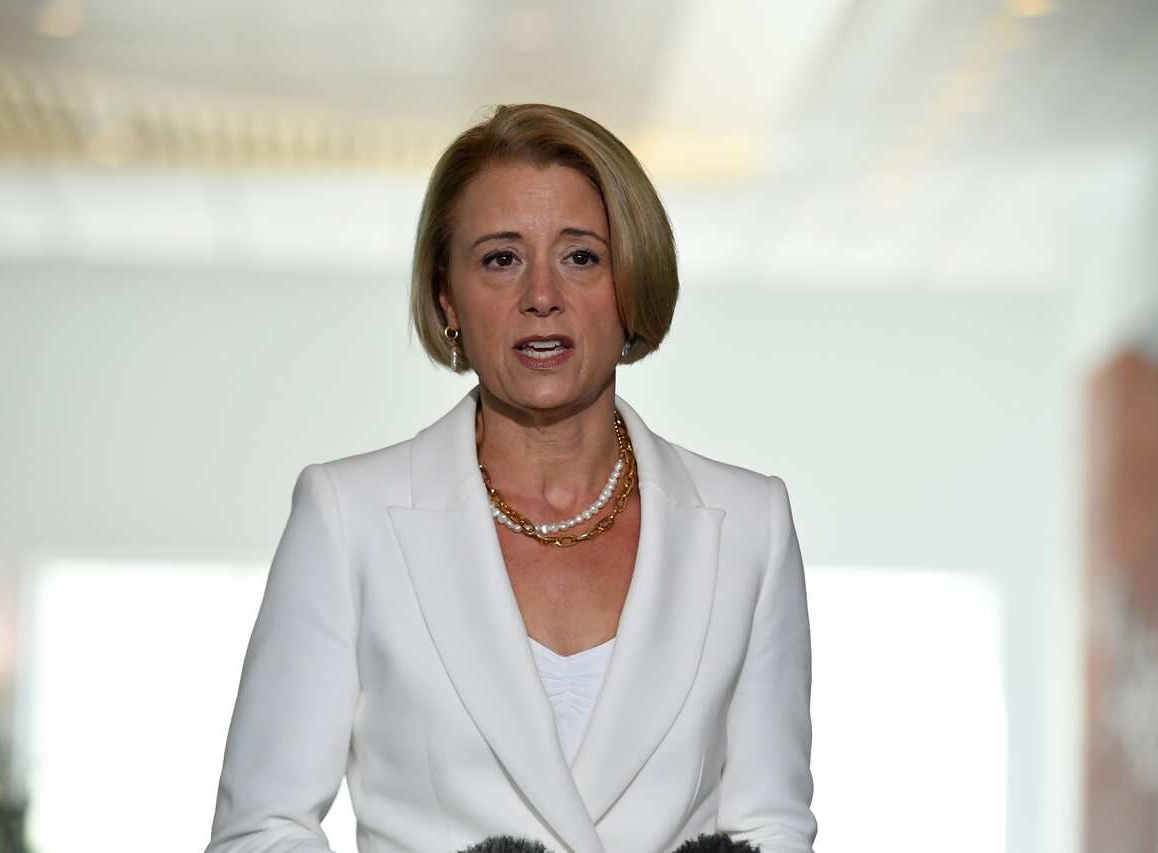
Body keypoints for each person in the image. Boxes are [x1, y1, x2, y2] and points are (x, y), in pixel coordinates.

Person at [204, 103, 816, 853]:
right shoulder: (347, 517)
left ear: (632, 284)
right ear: (446, 298)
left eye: (581, 256)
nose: (541, 294)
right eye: (500, 257)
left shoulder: (750, 522)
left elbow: (772, 826)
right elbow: (262, 830)